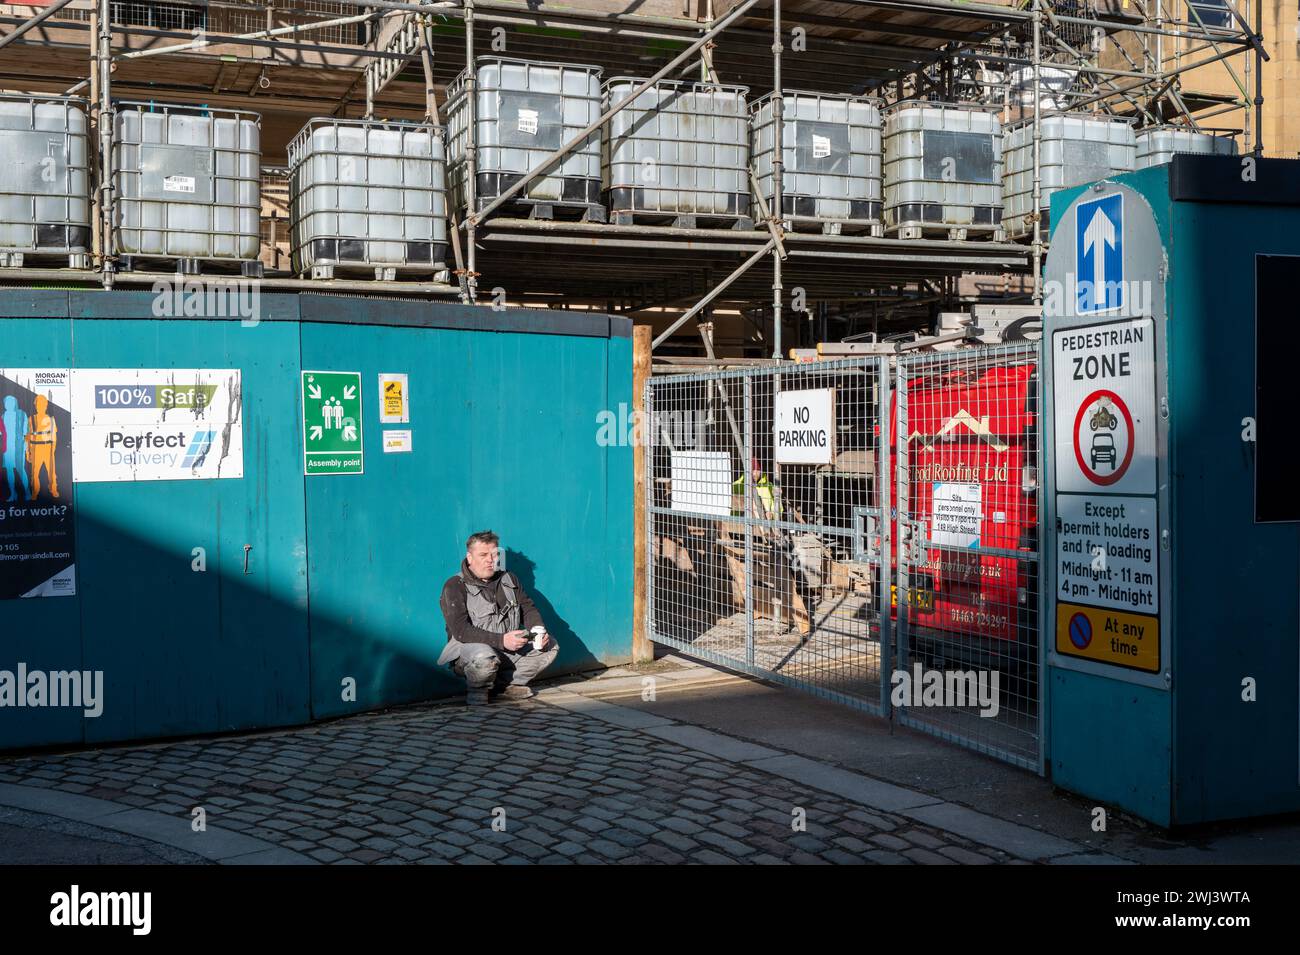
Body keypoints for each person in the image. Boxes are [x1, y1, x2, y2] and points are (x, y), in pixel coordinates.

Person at [437, 530, 558, 705]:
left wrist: (537, 631)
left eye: (494, 554)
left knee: (551, 646)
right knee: (484, 657)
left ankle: (504, 686)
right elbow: (461, 630)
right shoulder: (455, 585)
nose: (490, 560)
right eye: (483, 555)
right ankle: (478, 691)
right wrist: (502, 640)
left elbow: (528, 608)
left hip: (506, 647)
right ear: (469, 557)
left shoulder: (509, 578)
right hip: (471, 652)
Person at [28, 394, 59, 500]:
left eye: (42, 404)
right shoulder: (31, 419)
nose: (40, 406)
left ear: (46, 405)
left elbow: (54, 435)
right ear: (35, 405)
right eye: (38, 404)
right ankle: (35, 492)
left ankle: (53, 489)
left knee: (51, 471)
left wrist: (53, 448)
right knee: (34, 473)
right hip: (36, 449)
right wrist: (28, 451)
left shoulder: (51, 419)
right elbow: (29, 436)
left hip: (48, 448)